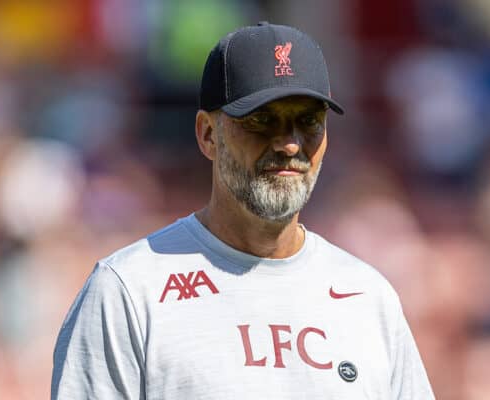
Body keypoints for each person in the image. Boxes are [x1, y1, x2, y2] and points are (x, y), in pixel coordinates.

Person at [51, 22, 435, 399]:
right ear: (207, 134)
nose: (289, 144)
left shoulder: (368, 296)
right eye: (262, 120)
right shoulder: (130, 290)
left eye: (308, 121)